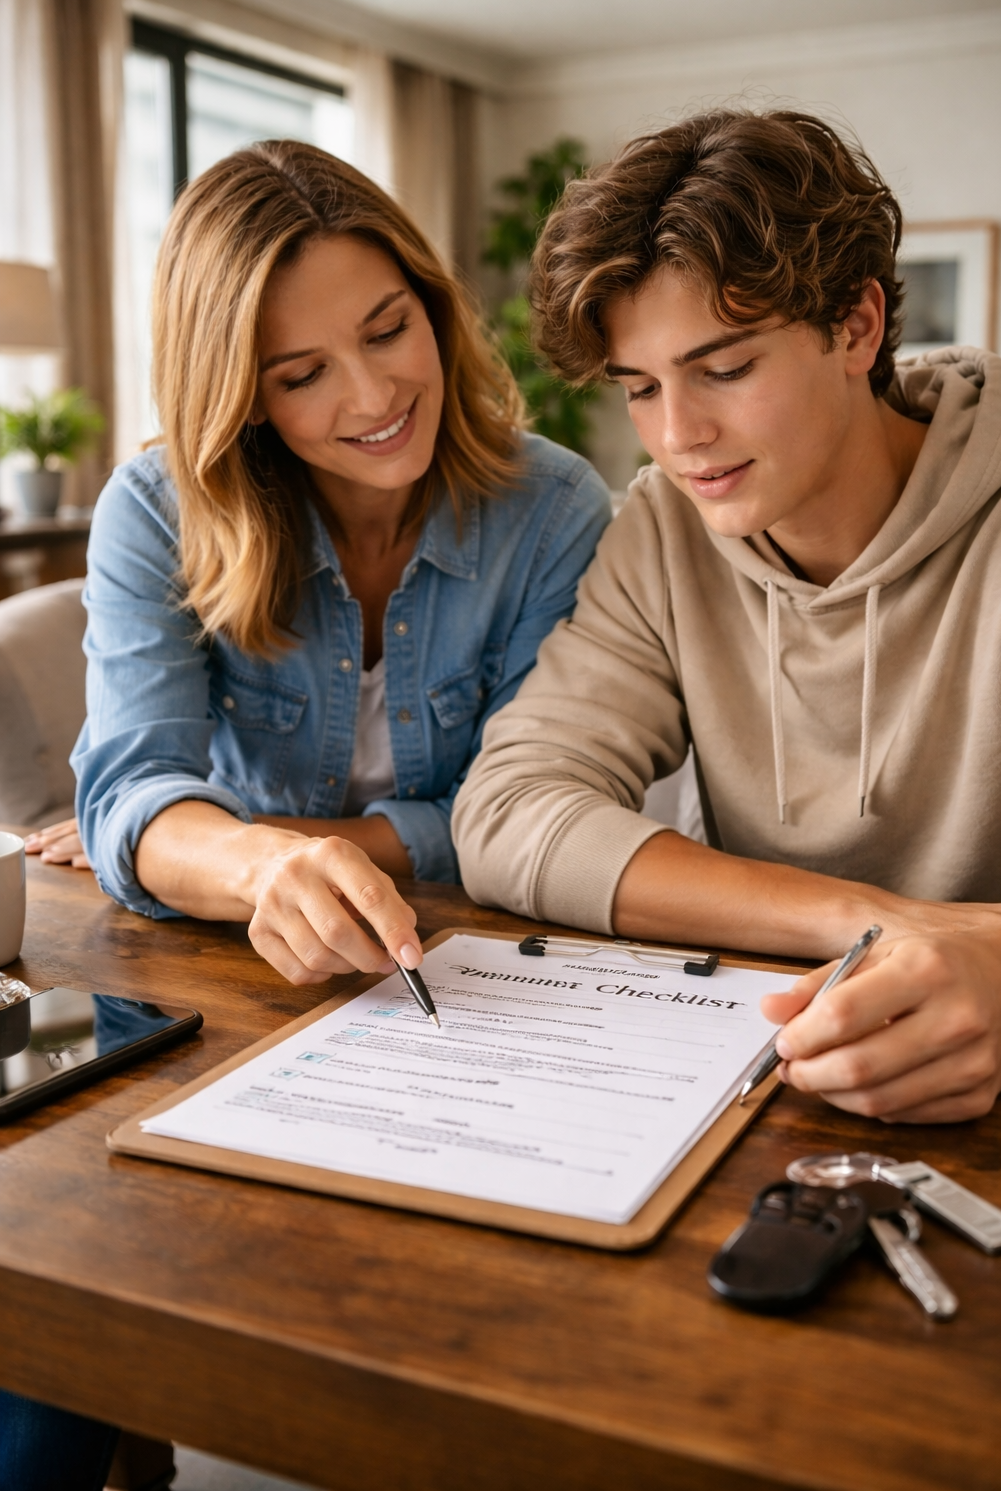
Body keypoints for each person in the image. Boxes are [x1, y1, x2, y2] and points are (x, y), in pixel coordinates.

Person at [6, 138, 608, 1488]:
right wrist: (222, 855)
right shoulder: (159, 508)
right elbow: (134, 790)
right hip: (231, 993)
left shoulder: (557, 508)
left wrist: (250, 850)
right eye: (301, 374)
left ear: (434, 306)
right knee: (56, 1332)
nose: (377, 392)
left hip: (488, 993)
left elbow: (546, 802)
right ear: (240, 394)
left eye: (390, 329)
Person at [453, 108, 1001, 1126]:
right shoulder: (665, 530)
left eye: (724, 369)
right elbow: (508, 815)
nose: (679, 437)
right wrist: (888, 924)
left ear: (855, 327)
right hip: (764, 1072)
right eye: (639, 387)